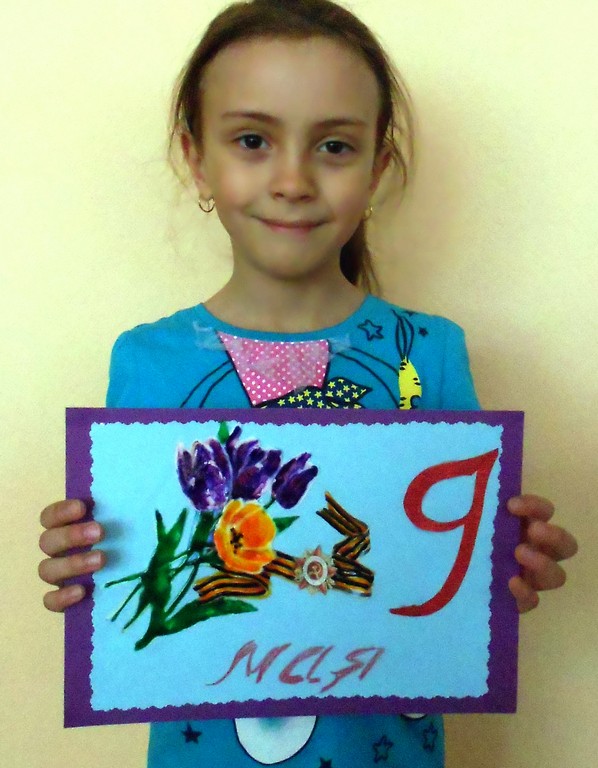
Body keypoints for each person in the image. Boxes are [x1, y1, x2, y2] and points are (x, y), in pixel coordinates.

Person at [37, 1, 578, 766]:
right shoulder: (147, 361)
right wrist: (89, 559)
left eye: (333, 146)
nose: (292, 180)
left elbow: (455, 564)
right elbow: (139, 571)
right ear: (196, 157)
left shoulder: (429, 354)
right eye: (252, 140)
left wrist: (505, 562)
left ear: (376, 169)